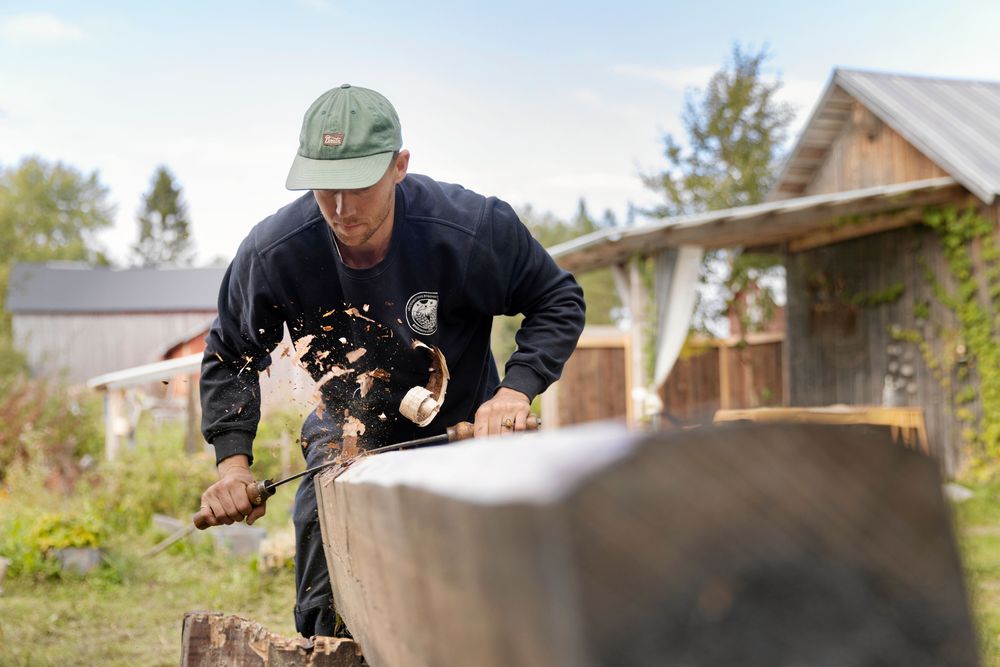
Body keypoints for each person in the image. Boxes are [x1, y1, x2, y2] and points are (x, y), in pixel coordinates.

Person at [196, 84, 586, 638]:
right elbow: (230, 353)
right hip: (347, 434)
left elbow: (558, 300)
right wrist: (233, 466)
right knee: (322, 568)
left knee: (492, 599)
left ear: (399, 166)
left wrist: (515, 391)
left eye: (357, 186)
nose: (339, 207)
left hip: (469, 428)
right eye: (325, 187)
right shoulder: (276, 253)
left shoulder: (469, 230)